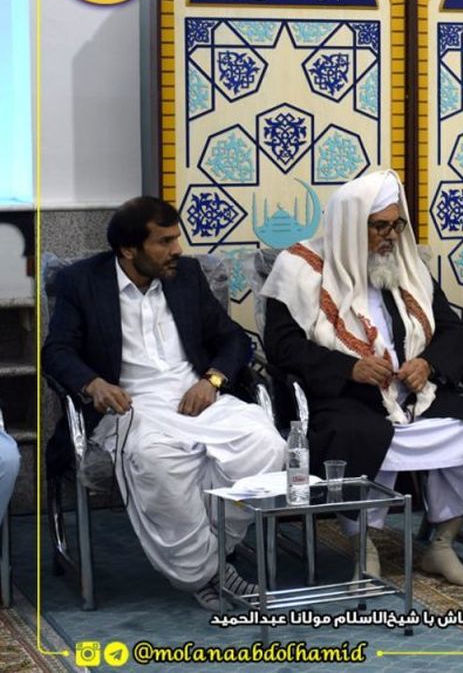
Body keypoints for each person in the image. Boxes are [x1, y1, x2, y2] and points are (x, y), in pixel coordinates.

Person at [262, 170, 463, 587]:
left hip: (414, 394)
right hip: (346, 395)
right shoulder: (300, 269)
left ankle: (442, 543)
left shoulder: (407, 266)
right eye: (380, 226)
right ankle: (365, 546)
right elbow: (282, 346)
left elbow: (452, 331)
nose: (391, 236)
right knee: (359, 434)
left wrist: (427, 363)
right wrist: (349, 368)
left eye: (397, 225)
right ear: (350, 226)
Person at [42, 197, 286, 610]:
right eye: (165, 241)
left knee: (267, 445)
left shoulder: (186, 275)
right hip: (131, 406)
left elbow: (232, 338)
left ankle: (207, 558)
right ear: (128, 249)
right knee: (155, 461)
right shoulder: (81, 282)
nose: (177, 250)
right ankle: (208, 574)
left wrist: (212, 380)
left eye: (177, 239)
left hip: (197, 395)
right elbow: (56, 351)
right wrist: (93, 383)